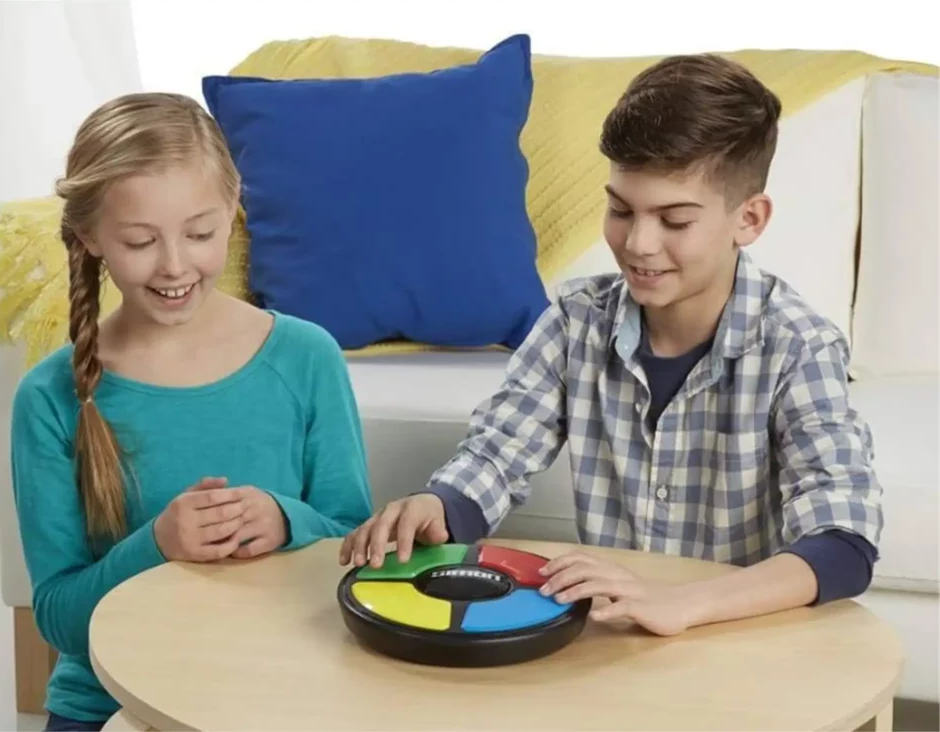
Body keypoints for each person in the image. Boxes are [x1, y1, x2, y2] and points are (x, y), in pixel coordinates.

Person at [339, 54, 883, 637]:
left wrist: (683, 603)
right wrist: (437, 505)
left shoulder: (800, 346)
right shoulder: (576, 321)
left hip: (736, 635)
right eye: (621, 210)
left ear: (748, 219)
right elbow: (496, 456)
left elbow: (842, 540)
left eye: (675, 221)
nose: (639, 243)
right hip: (615, 633)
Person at [11, 93, 373, 731]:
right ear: (91, 237)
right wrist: (157, 545)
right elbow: (60, 617)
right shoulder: (48, 397)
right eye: (140, 241)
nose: (175, 265)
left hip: (275, 696)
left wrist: (285, 519)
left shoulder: (306, 357)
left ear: (233, 212)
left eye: (200, 234)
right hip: (108, 704)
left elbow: (352, 542)